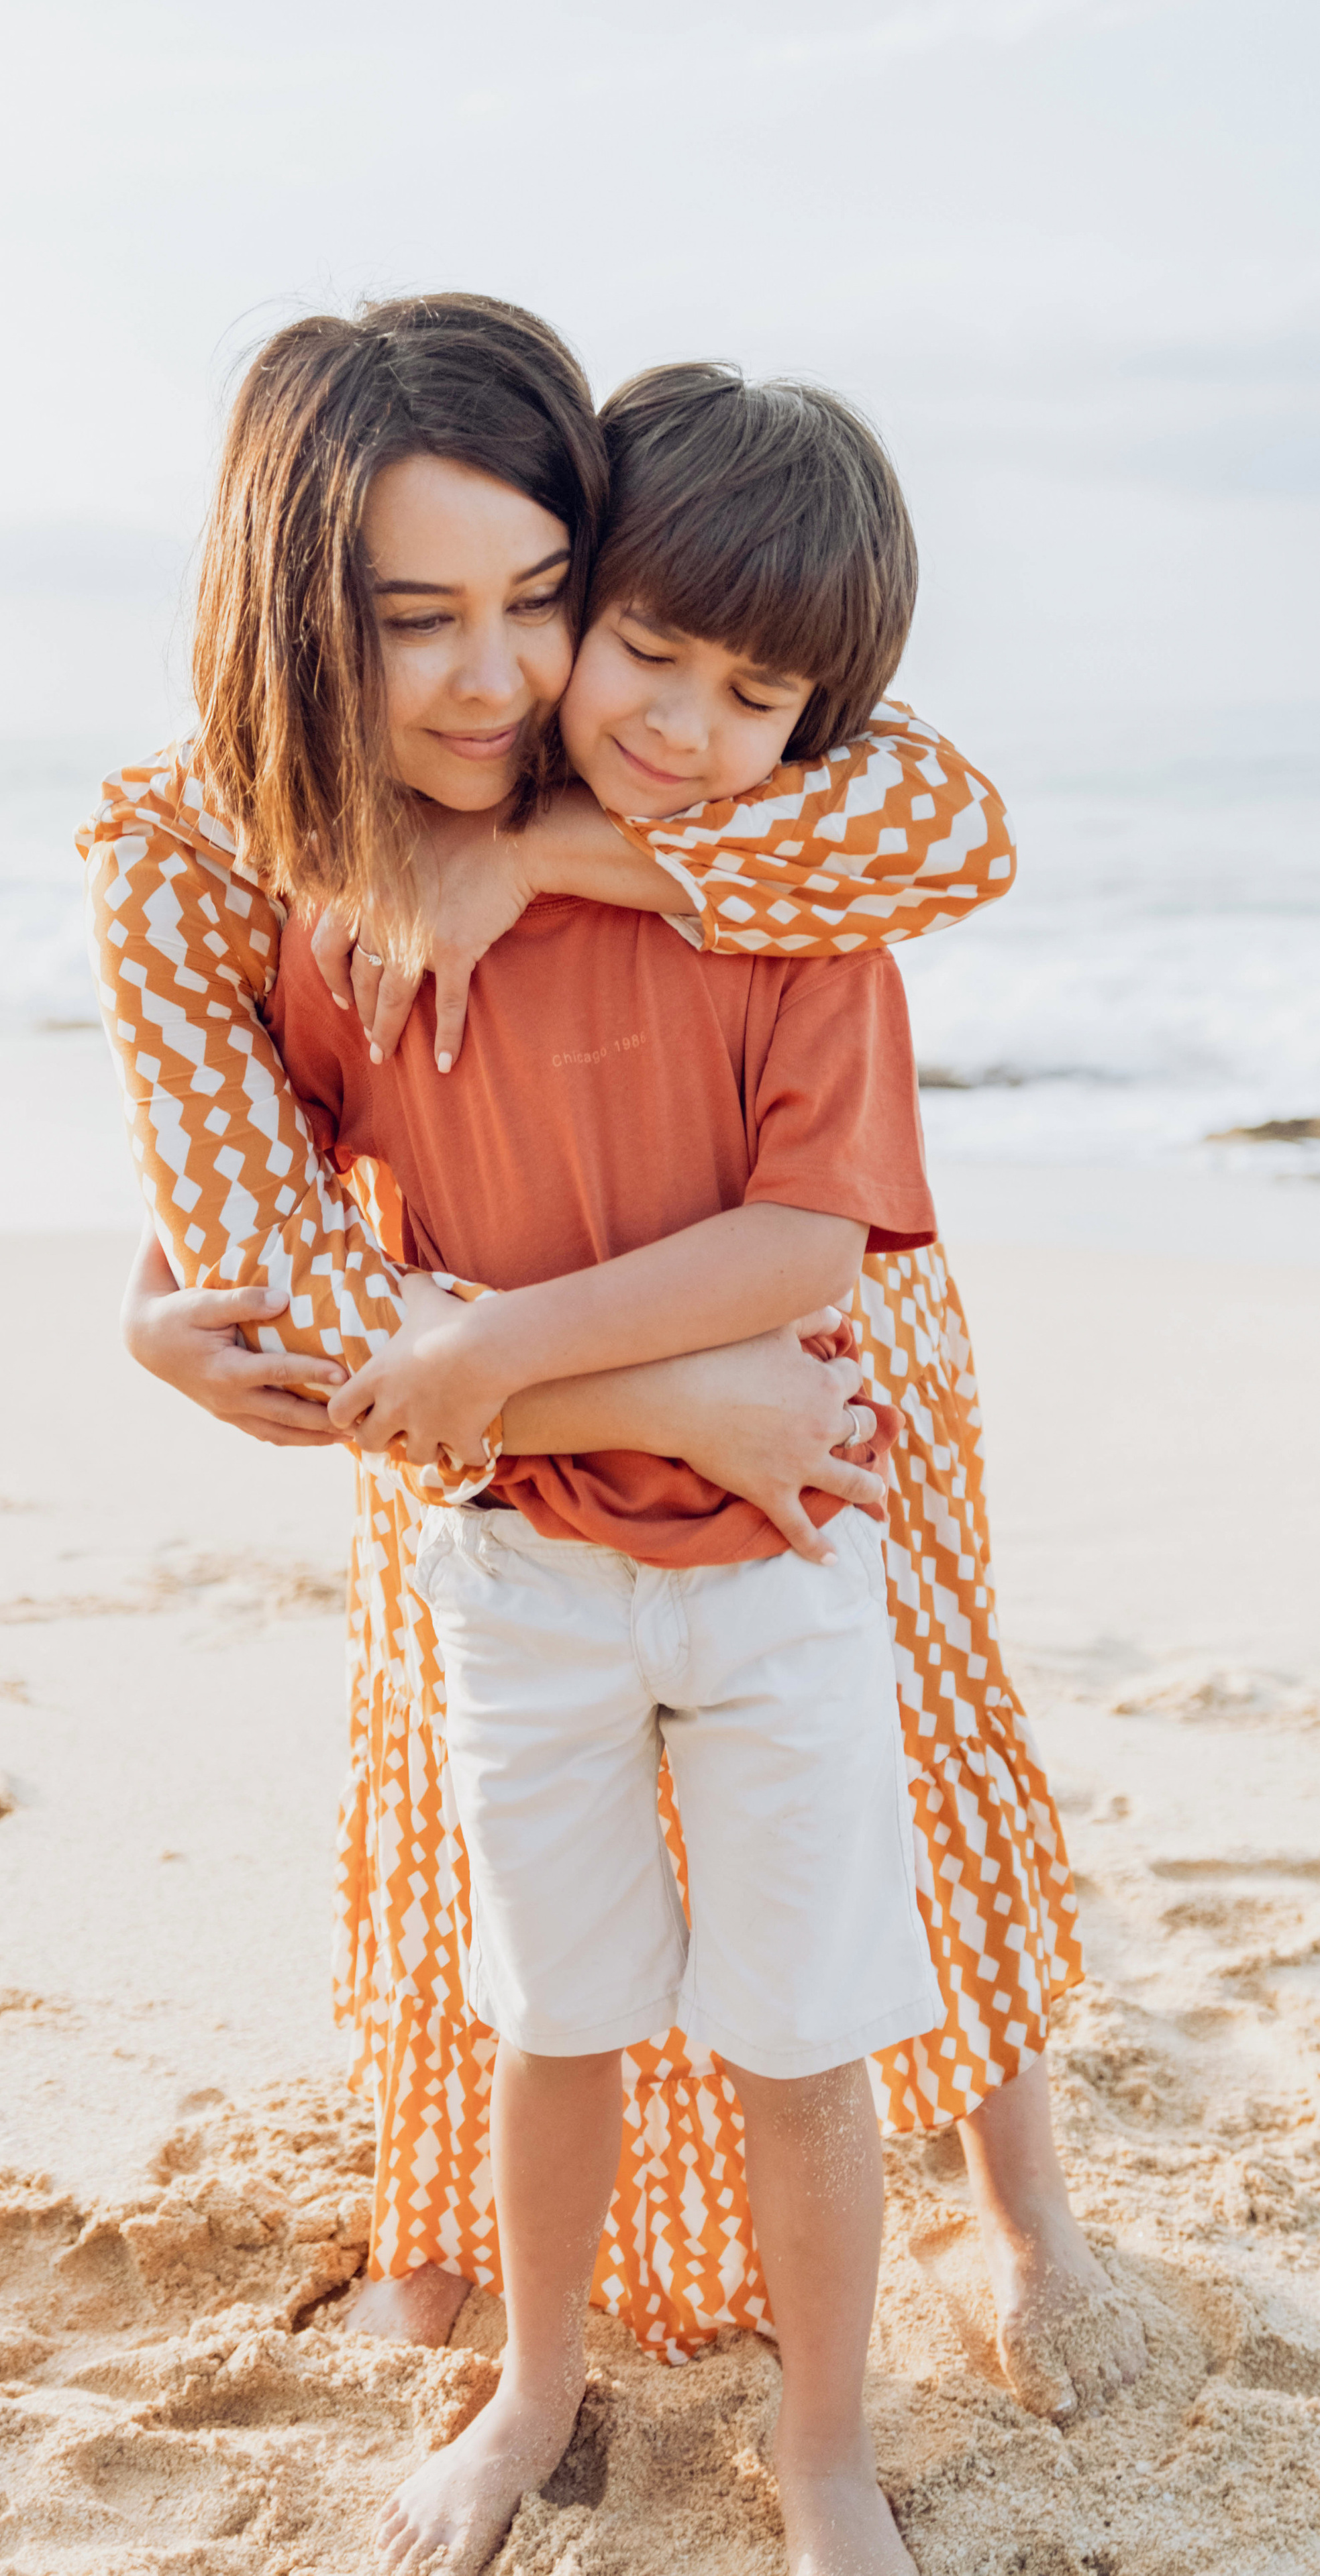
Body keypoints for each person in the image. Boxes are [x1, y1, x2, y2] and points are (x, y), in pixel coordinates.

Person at [81, 294, 1140, 2438]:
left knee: (911, 1739)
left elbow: (945, 828)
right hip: (487, 1381)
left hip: (812, 1343)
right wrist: (646, 1396)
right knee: (473, 1800)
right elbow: (282, 1247)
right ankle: (445, 2228)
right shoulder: (191, 858)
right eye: (415, 619)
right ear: (298, 616)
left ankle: (1024, 2204)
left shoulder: (640, 755)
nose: (498, 675)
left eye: (542, 601)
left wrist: (544, 849)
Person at [265, 365, 952, 2576]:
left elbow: (805, 1238)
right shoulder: (384, 905)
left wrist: (497, 1344)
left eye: (757, 697)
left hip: (779, 1567)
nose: (679, 720)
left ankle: (825, 2451)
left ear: (815, 727)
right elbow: (269, 1197)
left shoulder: (796, 916)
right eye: (647, 648)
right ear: (589, 609)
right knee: (554, 2020)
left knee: (797, 2035)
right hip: (524, 1573)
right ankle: (534, 2384)